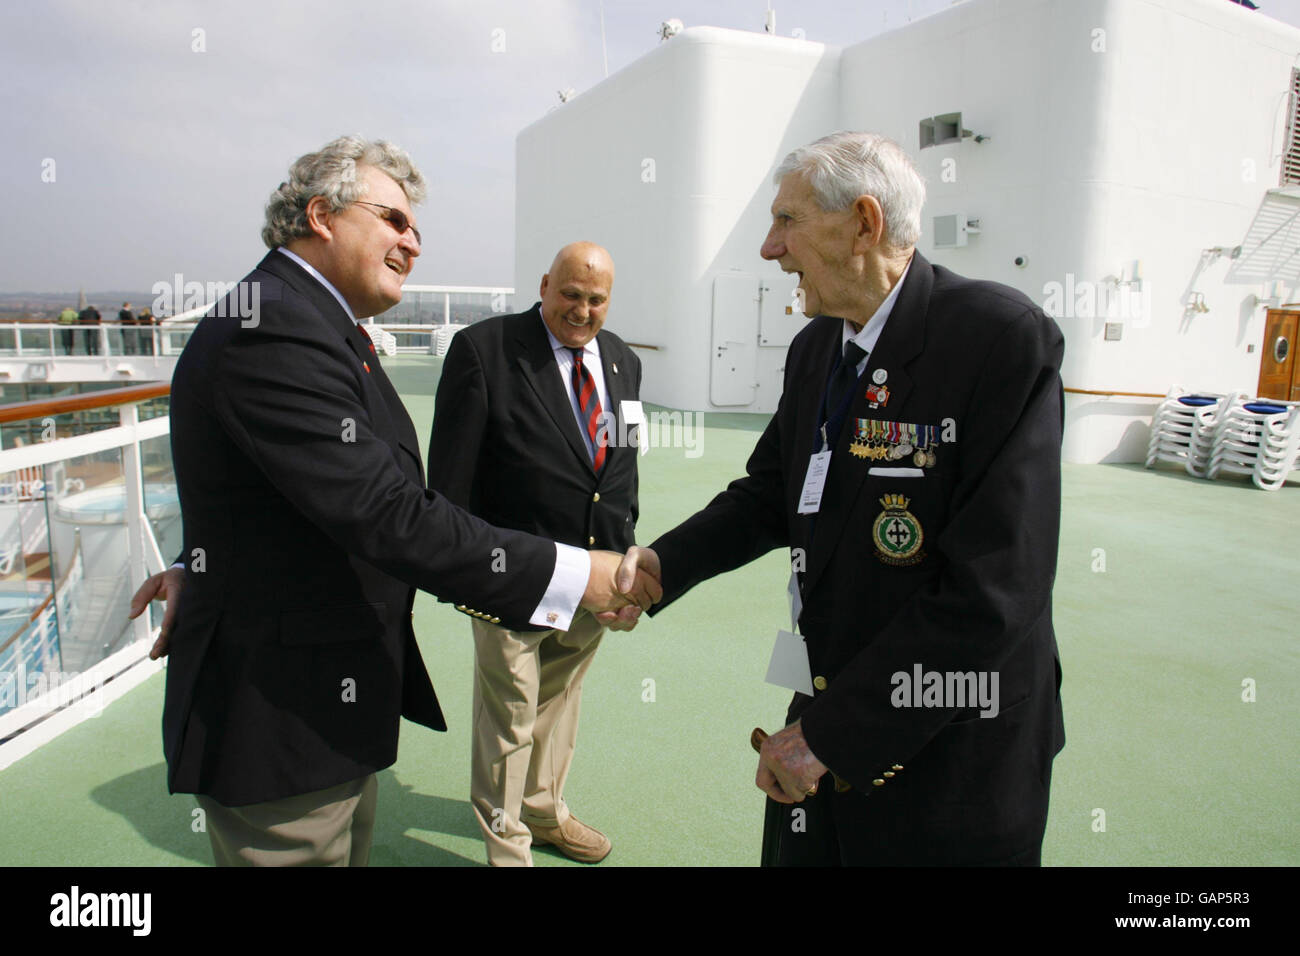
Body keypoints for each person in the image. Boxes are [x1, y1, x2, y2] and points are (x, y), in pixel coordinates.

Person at [128, 135, 657, 867]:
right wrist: (579, 574)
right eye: (395, 221)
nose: (413, 242)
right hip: (285, 711)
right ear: (321, 215)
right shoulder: (274, 326)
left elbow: (294, 479)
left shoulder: (317, 324)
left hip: (326, 701)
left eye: (415, 228)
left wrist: (202, 558)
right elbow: (390, 508)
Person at [617, 131, 1066, 866]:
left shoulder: (998, 339)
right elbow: (769, 495)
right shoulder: (817, 348)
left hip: (950, 751)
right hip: (824, 710)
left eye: (786, 221)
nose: (770, 248)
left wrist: (834, 735)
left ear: (864, 222)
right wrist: (662, 565)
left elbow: (995, 592)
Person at [427, 242, 640, 865]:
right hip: (511, 573)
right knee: (510, 716)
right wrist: (461, 570)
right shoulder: (484, 350)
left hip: (594, 579)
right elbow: (450, 479)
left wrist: (623, 565)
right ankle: (508, 847)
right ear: (545, 285)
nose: (582, 310)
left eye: (596, 299)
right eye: (570, 294)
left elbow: (620, 471)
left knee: (559, 703)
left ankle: (544, 811)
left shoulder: (622, 361)